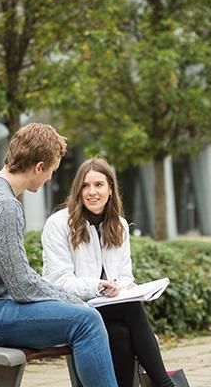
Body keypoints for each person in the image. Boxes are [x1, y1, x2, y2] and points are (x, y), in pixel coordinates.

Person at [0, 124, 118, 387]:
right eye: (52, 171)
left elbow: (20, 282)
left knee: (82, 317)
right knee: (87, 321)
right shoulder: (4, 205)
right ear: (39, 167)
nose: (50, 179)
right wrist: (75, 301)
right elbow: (22, 286)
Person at [42, 158, 176, 387]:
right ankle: (165, 383)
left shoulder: (120, 226)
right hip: (72, 311)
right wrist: (97, 286)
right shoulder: (59, 224)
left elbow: (125, 276)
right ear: (77, 190)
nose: (92, 192)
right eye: (85, 186)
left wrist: (123, 287)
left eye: (99, 185)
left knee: (121, 334)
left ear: (111, 189)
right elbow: (57, 282)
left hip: (109, 309)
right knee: (131, 309)